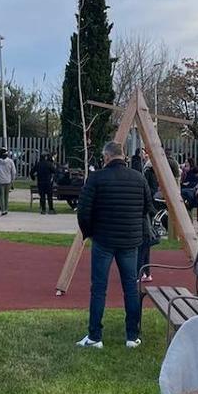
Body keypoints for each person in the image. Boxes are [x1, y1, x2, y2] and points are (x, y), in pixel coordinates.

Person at [75, 141, 151, 349]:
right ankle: (132, 336)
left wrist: (89, 232)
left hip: (103, 239)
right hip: (130, 240)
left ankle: (95, 336)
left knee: (99, 288)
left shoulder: (96, 179)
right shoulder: (138, 178)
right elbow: (147, 208)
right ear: (123, 156)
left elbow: (83, 210)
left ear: (106, 157)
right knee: (130, 287)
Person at [0, 148, 16, 215]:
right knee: (6, 196)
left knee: (1, 195)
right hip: (8, 180)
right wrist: (12, 180)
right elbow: (13, 172)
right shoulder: (10, 161)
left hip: (0, 180)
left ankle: (2, 209)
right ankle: (6, 208)